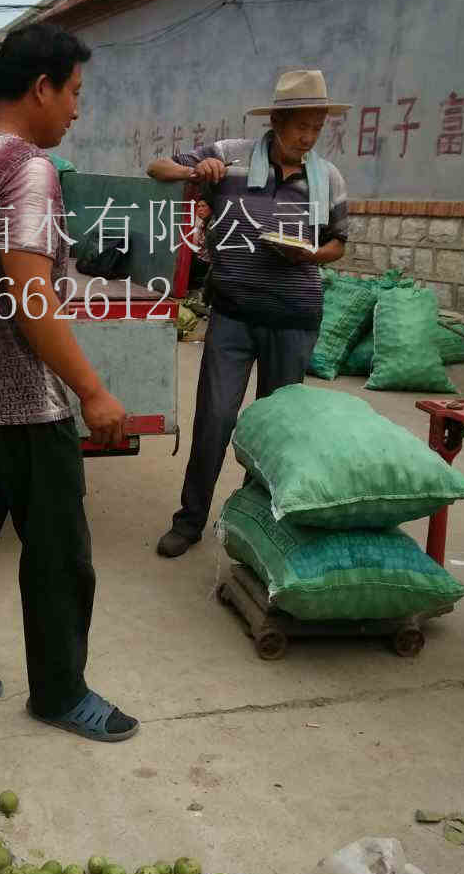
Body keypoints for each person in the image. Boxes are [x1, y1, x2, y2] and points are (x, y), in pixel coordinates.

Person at [0, 22, 139, 742]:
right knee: (56, 562)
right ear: (41, 87)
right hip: (23, 413)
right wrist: (92, 390)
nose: (77, 109)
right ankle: (59, 694)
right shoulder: (29, 169)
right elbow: (28, 295)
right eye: (74, 92)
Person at [148, 69, 351, 558]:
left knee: (273, 430)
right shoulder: (231, 156)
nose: (308, 138)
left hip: (294, 319)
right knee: (215, 419)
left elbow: (338, 243)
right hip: (233, 314)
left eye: (317, 128)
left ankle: (249, 521)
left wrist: (310, 255)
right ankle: (190, 520)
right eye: (301, 126)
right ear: (276, 121)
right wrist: (197, 172)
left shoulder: (327, 177)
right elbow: (156, 168)